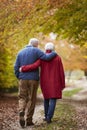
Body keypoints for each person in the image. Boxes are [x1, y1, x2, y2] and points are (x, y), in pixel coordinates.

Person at [14, 38, 56, 128]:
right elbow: (47, 58)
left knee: (22, 97)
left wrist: (19, 76)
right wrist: (54, 52)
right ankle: (28, 120)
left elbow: (16, 66)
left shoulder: (20, 52)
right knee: (32, 99)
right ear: (36, 44)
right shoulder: (37, 51)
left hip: (22, 78)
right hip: (33, 79)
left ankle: (21, 110)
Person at [19, 42, 65, 124]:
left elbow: (34, 66)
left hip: (45, 82)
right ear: (53, 49)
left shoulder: (42, 58)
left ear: (46, 49)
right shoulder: (58, 58)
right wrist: (63, 84)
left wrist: (23, 68)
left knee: (46, 99)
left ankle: (46, 116)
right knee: (53, 99)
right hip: (55, 82)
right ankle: (49, 118)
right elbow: (61, 71)